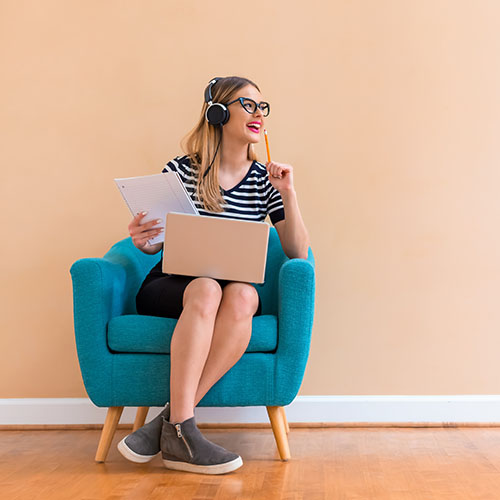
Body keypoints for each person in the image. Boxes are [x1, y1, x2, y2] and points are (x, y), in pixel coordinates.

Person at [117, 76, 310, 475]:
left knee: (243, 296)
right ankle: (183, 431)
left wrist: (288, 193)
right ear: (219, 114)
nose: (259, 114)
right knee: (205, 288)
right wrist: (143, 240)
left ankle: (172, 426)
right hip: (172, 286)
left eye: (262, 107)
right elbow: (158, 242)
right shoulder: (182, 171)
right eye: (248, 105)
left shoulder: (264, 180)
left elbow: (297, 253)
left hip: (230, 291)